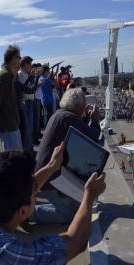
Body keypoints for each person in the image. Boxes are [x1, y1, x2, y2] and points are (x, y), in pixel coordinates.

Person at [31, 88, 101, 225]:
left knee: (77, 205)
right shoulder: (68, 118)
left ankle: (31, 207)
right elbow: (93, 136)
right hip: (50, 180)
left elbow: (79, 130)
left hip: (44, 174)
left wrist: (86, 118)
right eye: (84, 105)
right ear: (78, 106)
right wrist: (95, 119)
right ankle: (30, 214)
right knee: (70, 215)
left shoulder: (60, 114)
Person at [0, 45, 22, 150]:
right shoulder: (4, 76)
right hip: (8, 126)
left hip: (11, 124)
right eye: (19, 57)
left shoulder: (8, 75)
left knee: (15, 157)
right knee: (13, 159)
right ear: (13, 58)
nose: (20, 60)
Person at [18, 56, 37, 152]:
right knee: (28, 129)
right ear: (25, 64)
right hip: (26, 102)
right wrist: (31, 76)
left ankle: (30, 149)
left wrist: (33, 77)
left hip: (30, 101)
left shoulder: (26, 74)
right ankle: (28, 151)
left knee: (30, 128)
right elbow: (27, 90)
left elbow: (33, 87)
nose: (31, 66)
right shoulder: (21, 74)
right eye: (30, 64)